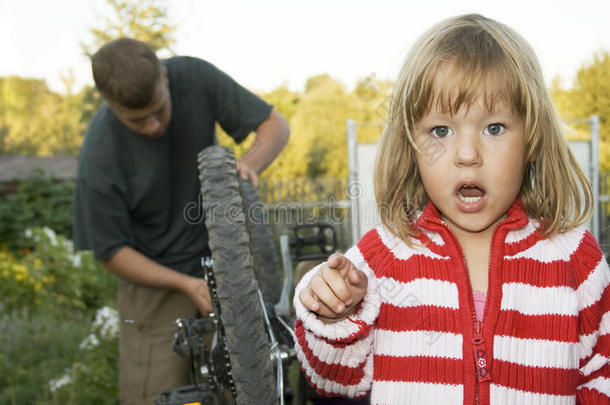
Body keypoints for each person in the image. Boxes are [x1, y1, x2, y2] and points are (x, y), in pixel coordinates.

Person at [294, 14, 610, 404]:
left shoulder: (577, 261)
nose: (466, 155)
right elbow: (333, 381)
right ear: (412, 146)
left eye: (494, 128)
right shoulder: (378, 262)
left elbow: (600, 378)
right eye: (440, 131)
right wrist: (334, 317)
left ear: (531, 137)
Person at [73, 38, 289, 404]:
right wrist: (185, 284)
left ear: (165, 76)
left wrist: (248, 166)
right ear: (109, 106)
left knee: (241, 385)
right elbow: (111, 252)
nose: (153, 125)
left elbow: (274, 126)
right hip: (154, 285)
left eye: (159, 109)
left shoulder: (196, 78)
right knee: (159, 394)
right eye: (137, 120)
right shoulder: (100, 152)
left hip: (225, 266)